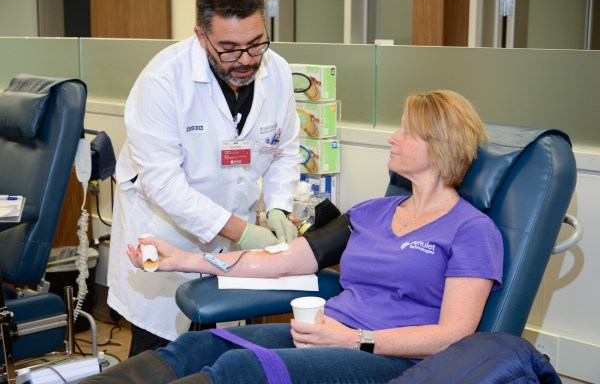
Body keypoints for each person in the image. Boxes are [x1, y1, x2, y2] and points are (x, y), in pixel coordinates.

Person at [88, 90, 504, 383]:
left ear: (440, 146)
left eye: (407, 132)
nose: (392, 137)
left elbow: (454, 335)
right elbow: (278, 259)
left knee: (240, 371)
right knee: (200, 348)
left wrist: (353, 339)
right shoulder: (370, 212)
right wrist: (181, 259)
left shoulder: (471, 229)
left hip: (394, 360)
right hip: (325, 333)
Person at [106, 0, 301, 356]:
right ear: (201, 35)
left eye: (257, 43)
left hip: (232, 235)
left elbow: (284, 149)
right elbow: (163, 184)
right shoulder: (162, 80)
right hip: (165, 230)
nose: (245, 59)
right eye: (229, 48)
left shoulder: (277, 72)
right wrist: (243, 233)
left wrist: (277, 205)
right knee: (158, 352)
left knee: (221, 349)